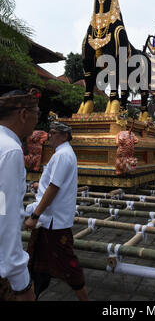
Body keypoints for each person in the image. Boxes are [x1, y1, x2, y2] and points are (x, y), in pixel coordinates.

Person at [25, 121, 89, 301]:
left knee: (69, 265)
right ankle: (33, 295)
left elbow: (54, 188)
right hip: (50, 220)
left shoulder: (62, 155)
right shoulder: (62, 154)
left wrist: (34, 215)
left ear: (64, 136)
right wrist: (40, 185)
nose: (49, 136)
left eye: (53, 133)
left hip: (54, 221)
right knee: (38, 262)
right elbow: (52, 184)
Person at [0, 89, 40, 301]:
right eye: (37, 113)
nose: (37, 120)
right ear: (23, 114)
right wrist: (21, 283)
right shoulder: (11, 150)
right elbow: (6, 217)